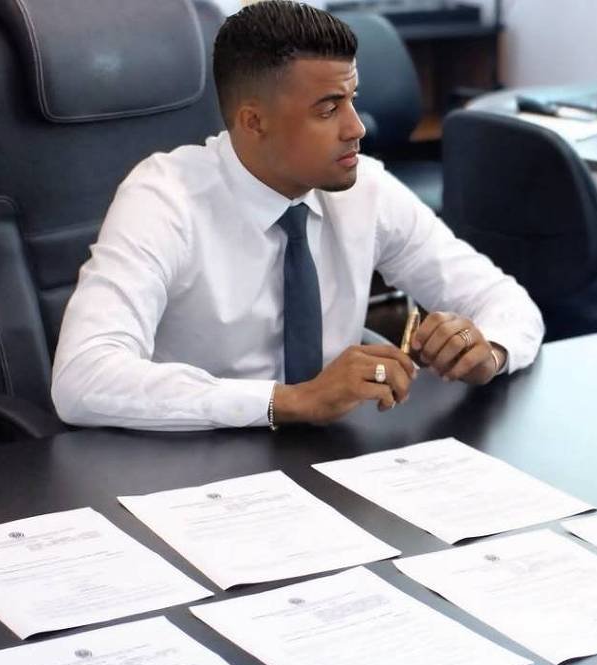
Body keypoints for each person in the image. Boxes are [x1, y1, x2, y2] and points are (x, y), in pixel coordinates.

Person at [51, 1, 543, 431]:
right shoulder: (164, 198)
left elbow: (506, 301)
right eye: (328, 109)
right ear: (253, 121)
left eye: (352, 99)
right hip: (194, 464)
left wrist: (489, 352)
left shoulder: (364, 188)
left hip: (332, 458)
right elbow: (82, 375)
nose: (356, 127)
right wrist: (287, 402)